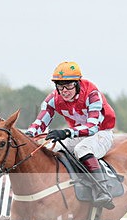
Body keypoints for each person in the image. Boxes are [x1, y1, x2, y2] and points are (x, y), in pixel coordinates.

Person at [26, 61, 116, 209]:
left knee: (82, 149)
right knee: (52, 151)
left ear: (78, 83)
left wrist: (66, 132)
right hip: (78, 134)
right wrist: (29, 134)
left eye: (69, 85)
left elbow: (92, 127)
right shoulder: (53, 99)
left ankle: (102, 190)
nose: (64, 91)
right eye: (60, 86)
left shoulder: (92, 94)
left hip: (101, 132)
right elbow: (40, 122)